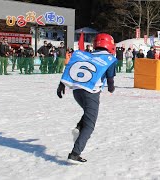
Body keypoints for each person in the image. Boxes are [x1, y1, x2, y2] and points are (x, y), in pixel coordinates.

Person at [56, 33, 117, 164]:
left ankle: (78, 128)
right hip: (91, 92)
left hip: (76, 91)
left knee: (88, 114)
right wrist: (111, 88)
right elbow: (110, 82)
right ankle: (75, 154)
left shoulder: (84, 54)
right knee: (90, 124)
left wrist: (61, 84)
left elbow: (70, 68)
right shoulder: (109, 59)